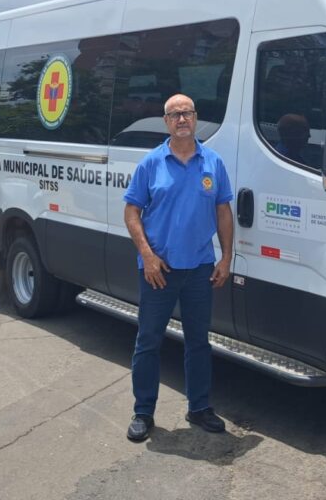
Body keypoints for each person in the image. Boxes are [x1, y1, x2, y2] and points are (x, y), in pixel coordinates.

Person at [122, 93, 235, 442]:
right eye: (174, 114)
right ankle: (143, 412)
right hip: (159, 271)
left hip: (200, 268)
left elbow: (222, 211)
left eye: (187, 113)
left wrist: (227, 256)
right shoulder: (151, 164)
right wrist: (148, 255)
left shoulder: (212, 163)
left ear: (196, 118)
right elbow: (131, 212)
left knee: (199, 343)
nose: (182, 119)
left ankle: (199, 407)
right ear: (166, 122)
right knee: (149, 342)